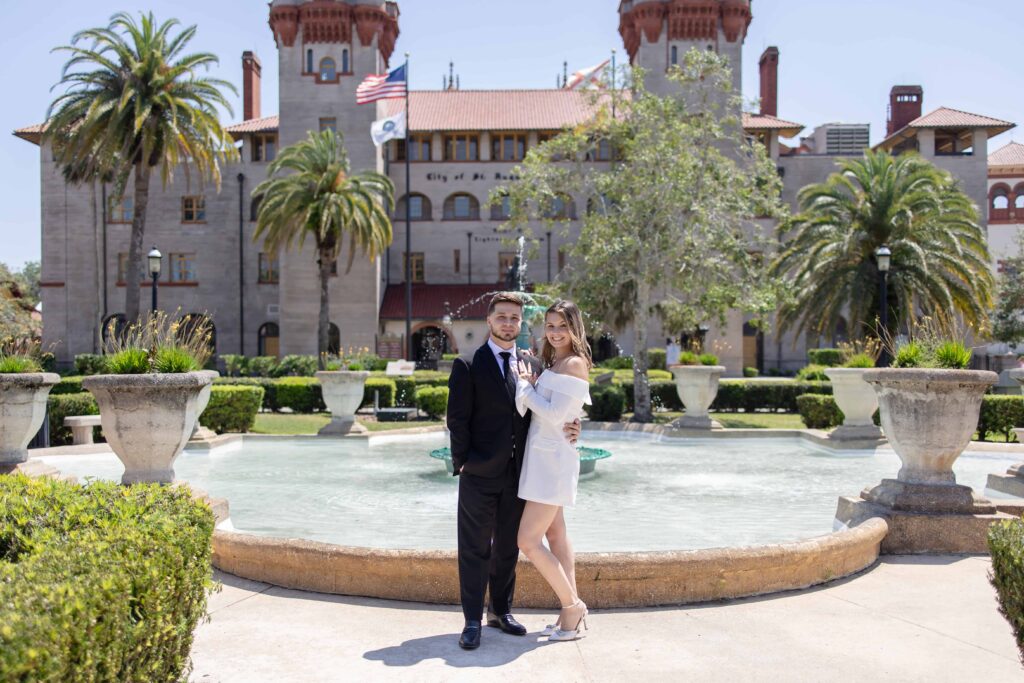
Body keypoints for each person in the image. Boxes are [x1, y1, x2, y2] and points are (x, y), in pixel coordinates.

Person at [446, 292, 581, 651]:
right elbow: (456, 421)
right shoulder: (468, 364)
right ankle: (472, 619)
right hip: (478, 472)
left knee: (508, 546)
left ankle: (500, 612)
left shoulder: (533, 364)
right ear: (489, 321)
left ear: (521, 325)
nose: (509, 323)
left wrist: (575, 424)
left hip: (521, 474)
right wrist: (462, 462)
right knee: (474, 548)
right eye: (502, 317)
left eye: (515, 319)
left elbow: (554, 407)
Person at [513, 300, 593, 641]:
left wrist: (525, 387)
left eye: (562, 325)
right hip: (545, 457)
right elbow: (567, 412)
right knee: (556, 536)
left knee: (527, 541)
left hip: (553, 463)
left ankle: (572, 605)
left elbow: (556, 414)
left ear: (574, 327)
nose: (555, 332)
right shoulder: (555, 361)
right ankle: (568, 615)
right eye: (550, 325)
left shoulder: (573, 363)